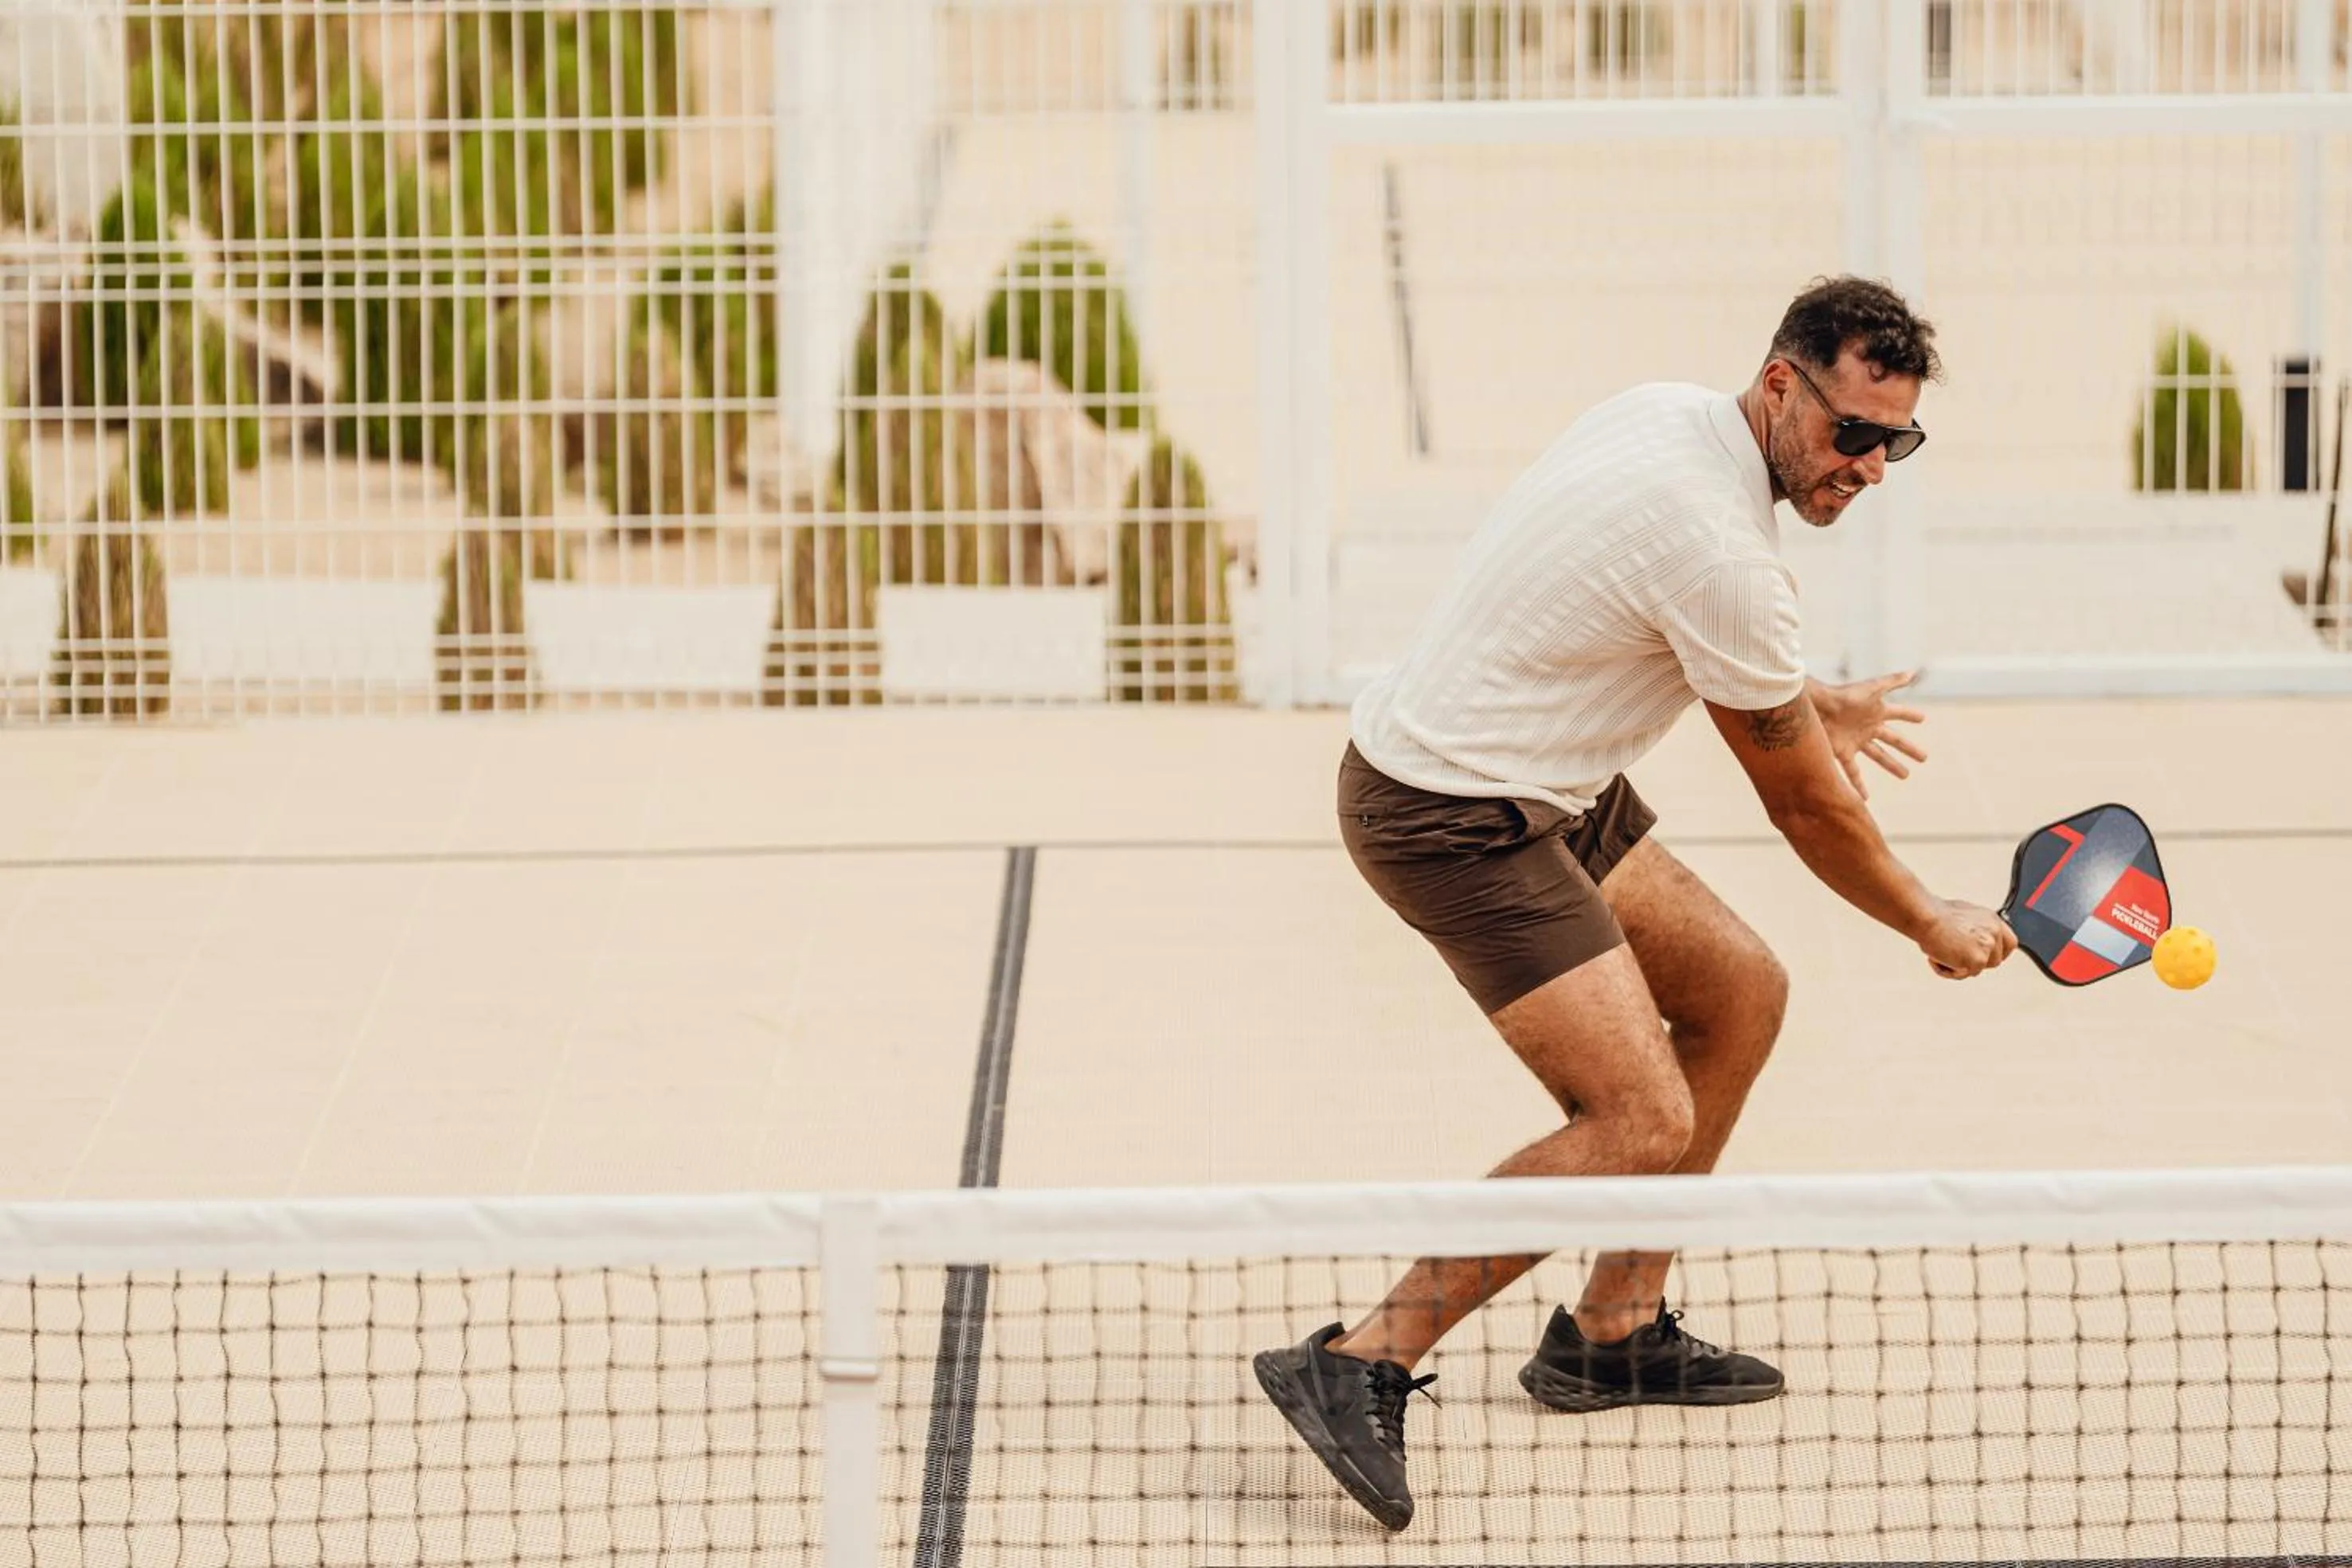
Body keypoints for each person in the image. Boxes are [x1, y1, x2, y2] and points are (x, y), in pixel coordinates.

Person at [1252, 276, 2018, 1531]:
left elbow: (1653, 605)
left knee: (1739, 993)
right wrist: (1928, 914)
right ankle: (1361, 1360)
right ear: (1783, 387)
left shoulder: (1669, 416)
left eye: (1901, 441)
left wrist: (1809, 698)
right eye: (1855, 436)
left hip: (1533, 775)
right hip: (1450, 815)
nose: (1874, 467)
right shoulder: (1721, 548)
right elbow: (1810, 812)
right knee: (1639, 1115)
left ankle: (1611, 1328)